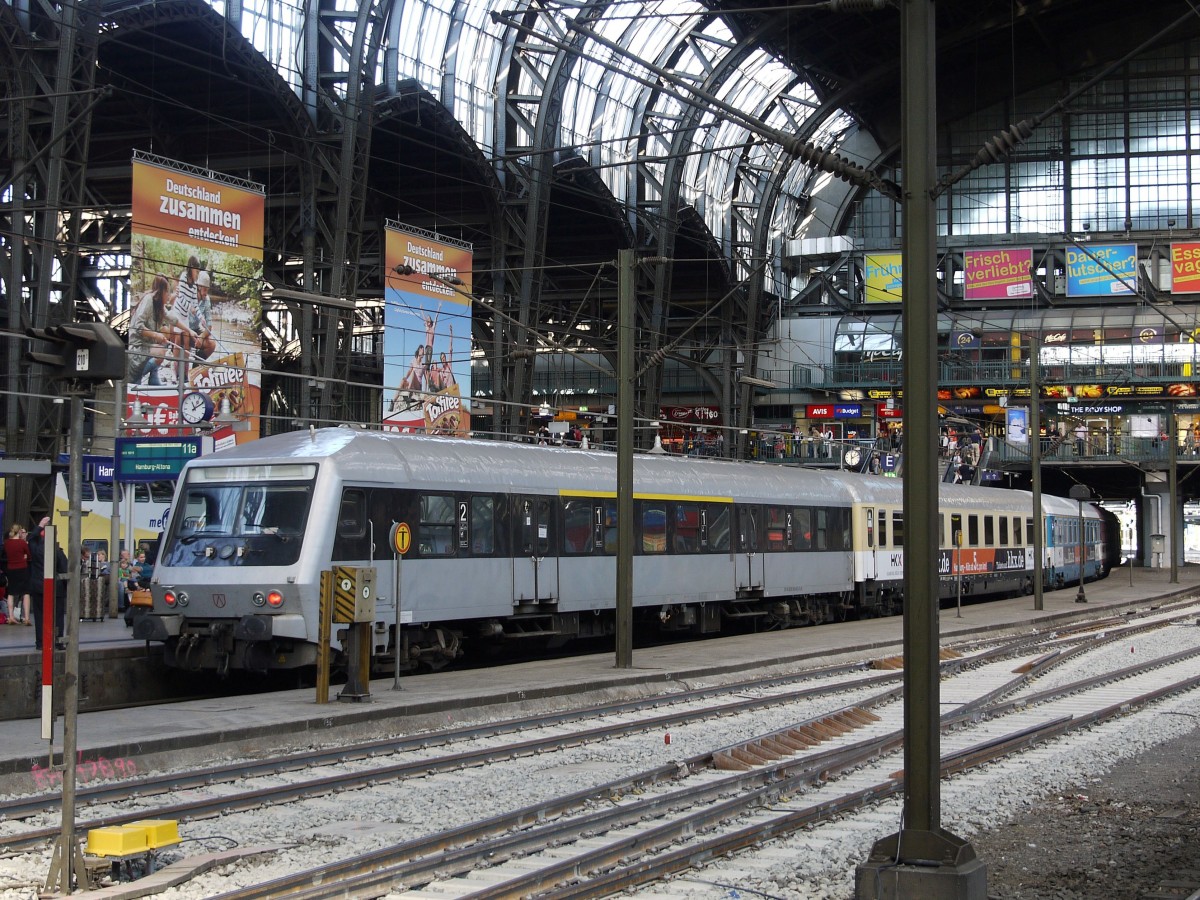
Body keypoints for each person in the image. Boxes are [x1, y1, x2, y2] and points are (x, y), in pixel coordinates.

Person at [127, 274, 194, 386]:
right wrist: (155, 335)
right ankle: (137, 376)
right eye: (167, 291)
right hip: (136, 346)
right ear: (161, 291)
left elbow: (173, 319)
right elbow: (138, 327)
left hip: (146, 345)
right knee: (161, 352)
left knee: (163, 338)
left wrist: (189, 330)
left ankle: (153, 378)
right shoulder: (149, 300)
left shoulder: (159, 305)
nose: (169, 295)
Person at [3, 524, 31, 625]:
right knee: (25, 593)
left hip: (11, 569)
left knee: (11, 593)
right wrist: (24, 558)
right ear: (19, 532)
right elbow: (28, 554)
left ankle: (11, 617)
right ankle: (27, 618)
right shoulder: (22, 543)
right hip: (22, 568)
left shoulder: (7, 543)